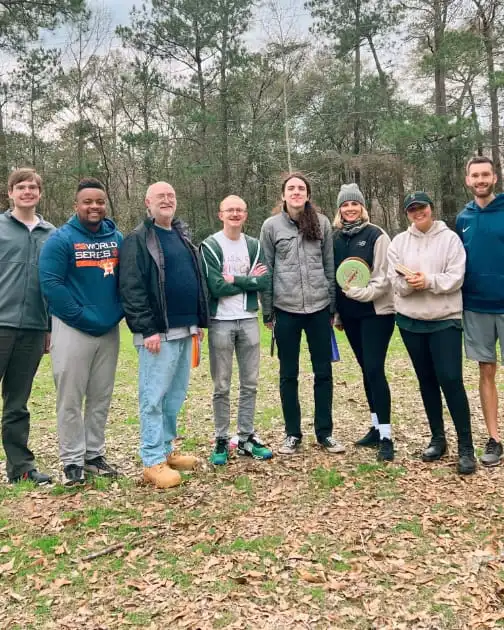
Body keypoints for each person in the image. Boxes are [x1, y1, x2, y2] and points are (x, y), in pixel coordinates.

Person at [119, 181, 209, 489]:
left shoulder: (182, 237)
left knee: (174, 396)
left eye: (171, 195)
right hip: (158, 333)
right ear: (148, 202)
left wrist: (198, 323)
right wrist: (148, 329)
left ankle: (168, 450)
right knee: (153, 397)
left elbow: (192, 280)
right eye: (161, 196)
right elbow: (131, 288)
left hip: (186, 330)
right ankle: (151, 460)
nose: (167, 200)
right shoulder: (138, 239)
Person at [39, 178, 123, 486]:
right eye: (88, 202)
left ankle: (93, 455)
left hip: (108, 329)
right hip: (72, 328)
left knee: (100, 396)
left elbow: (125, 281)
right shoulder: (60, 240)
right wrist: (81, 316)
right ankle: (72, 460)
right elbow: (51, 285)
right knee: (70, 398)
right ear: (76, 205)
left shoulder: (117, 239)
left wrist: (116, 314)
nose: (94, 207)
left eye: (99, 201)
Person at [388, 192, 476, 475]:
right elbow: (395, 282)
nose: (417, 213)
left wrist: (428, 281)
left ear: (431, 208)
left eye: (421, 207)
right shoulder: (399, 242)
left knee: (450, 380)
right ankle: (438, 438)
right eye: (412, 209)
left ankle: (466, 446)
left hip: (444, 320)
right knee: (426, 381)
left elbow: (455, 277)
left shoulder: (449, 239)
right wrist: (410, 285)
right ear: (407, 213)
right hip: (411, 322)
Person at [260, 172, 344, 455]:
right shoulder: (271, 227)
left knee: (323, 372)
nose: (296, 192)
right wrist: (268, 312)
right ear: (283, 195)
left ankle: (325, 433)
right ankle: (292, 433)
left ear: (308, 195)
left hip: (319, 309)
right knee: (288, 374)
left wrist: (332, 307)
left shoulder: (320, 224)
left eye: (301, 188)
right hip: (286, 311)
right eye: (291, 188)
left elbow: (330, 266)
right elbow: (266, 271)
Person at [201, 195, 273, 465]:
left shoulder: (253, 245)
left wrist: (238, 279)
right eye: (229, 210)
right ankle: (221, 438)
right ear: (221, 214)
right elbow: (215, 286)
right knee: (221, 385)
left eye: (239, 210)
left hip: (248, 319)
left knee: (250, 383)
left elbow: (264, 280)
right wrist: (248, 281)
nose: (234, 214)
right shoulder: (210, 245)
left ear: (245, 214)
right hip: (220, 320)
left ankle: (246, 437)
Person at [332, 184, 395, 461]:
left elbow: (384, 277)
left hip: (376, 313)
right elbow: (334, 279)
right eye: (345, 205)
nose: (349, 209)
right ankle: (375, 426)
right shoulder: (335, 239)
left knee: (374, 369)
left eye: (354, 204)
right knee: (365, 371)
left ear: (362, 207)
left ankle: (387, 437)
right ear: (339, 209)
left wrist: (361, 294)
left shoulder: (377, 235)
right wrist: (337, 312)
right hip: (350, 317)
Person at [0, 168, 54, 485]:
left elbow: (53, 284)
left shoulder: (51, 233)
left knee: (17, 403)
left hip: (34, 328)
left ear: (39, 193)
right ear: (10, 193)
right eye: (21, 187)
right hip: (1, 324)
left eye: (33, 187)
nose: (27, 191)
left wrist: (48, 326)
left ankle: (20, 467)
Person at [456, 156, 504, 467]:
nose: (480, 180)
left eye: (485, 174)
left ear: (495, 178)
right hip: (476, 307)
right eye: (475, 175)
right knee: (486, 371)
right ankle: (494, 438)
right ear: (468, 180)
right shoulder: (463, 218)